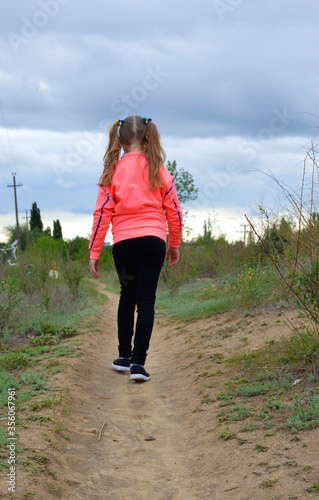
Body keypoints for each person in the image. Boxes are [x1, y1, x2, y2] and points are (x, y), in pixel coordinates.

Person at [89, 115, 183, 382]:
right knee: (146, 302)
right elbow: (174, 212)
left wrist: (95, 252)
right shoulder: (159, 170)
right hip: (153, 242)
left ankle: (124, 357)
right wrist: (173, 245)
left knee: (127, 296)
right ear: (147, 136)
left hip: (125, 245)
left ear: (119, 139)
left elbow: (101, 215)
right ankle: (138, 365)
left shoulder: (112, 172)